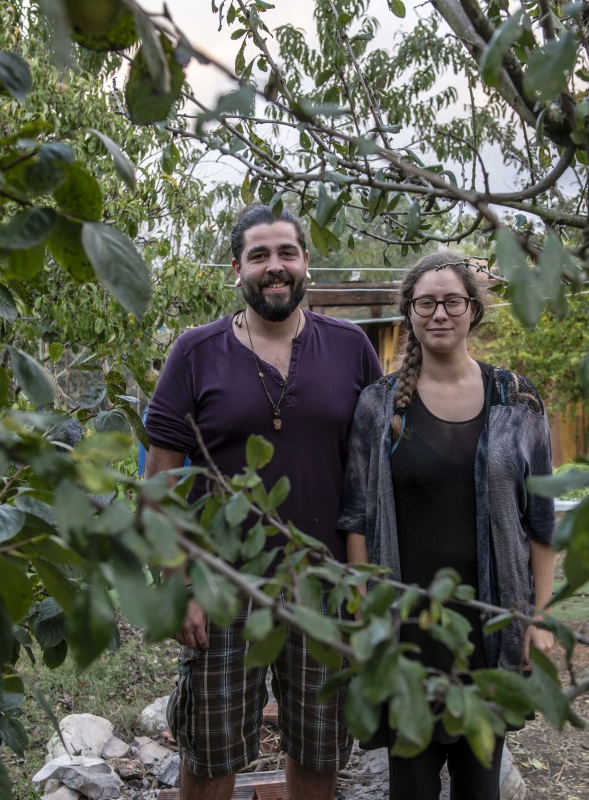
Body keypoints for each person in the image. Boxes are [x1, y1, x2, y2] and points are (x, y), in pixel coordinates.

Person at [143, 204, 382, 800]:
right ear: (236, 269)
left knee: (319, 746)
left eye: (287, 253)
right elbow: (159, 484)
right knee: (209, 750)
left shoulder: (352, 349)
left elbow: (377, 471)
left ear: (306, 263)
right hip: (221, 585)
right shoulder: (194, 353)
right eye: (259, 256)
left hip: (324, 587)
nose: (275, 268)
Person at [338, 250, 556, 800]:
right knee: (410, 784)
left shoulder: (517, 399)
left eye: (452, 301)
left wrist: (539, 619)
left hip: (489, 624)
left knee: (480, 785)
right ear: (409, 312)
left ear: (473, 311)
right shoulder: (378, 405)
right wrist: (365, 615)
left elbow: (542, 522)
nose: (440, 313)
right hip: (407, 628)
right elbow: (358, 518)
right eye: (426, 302)